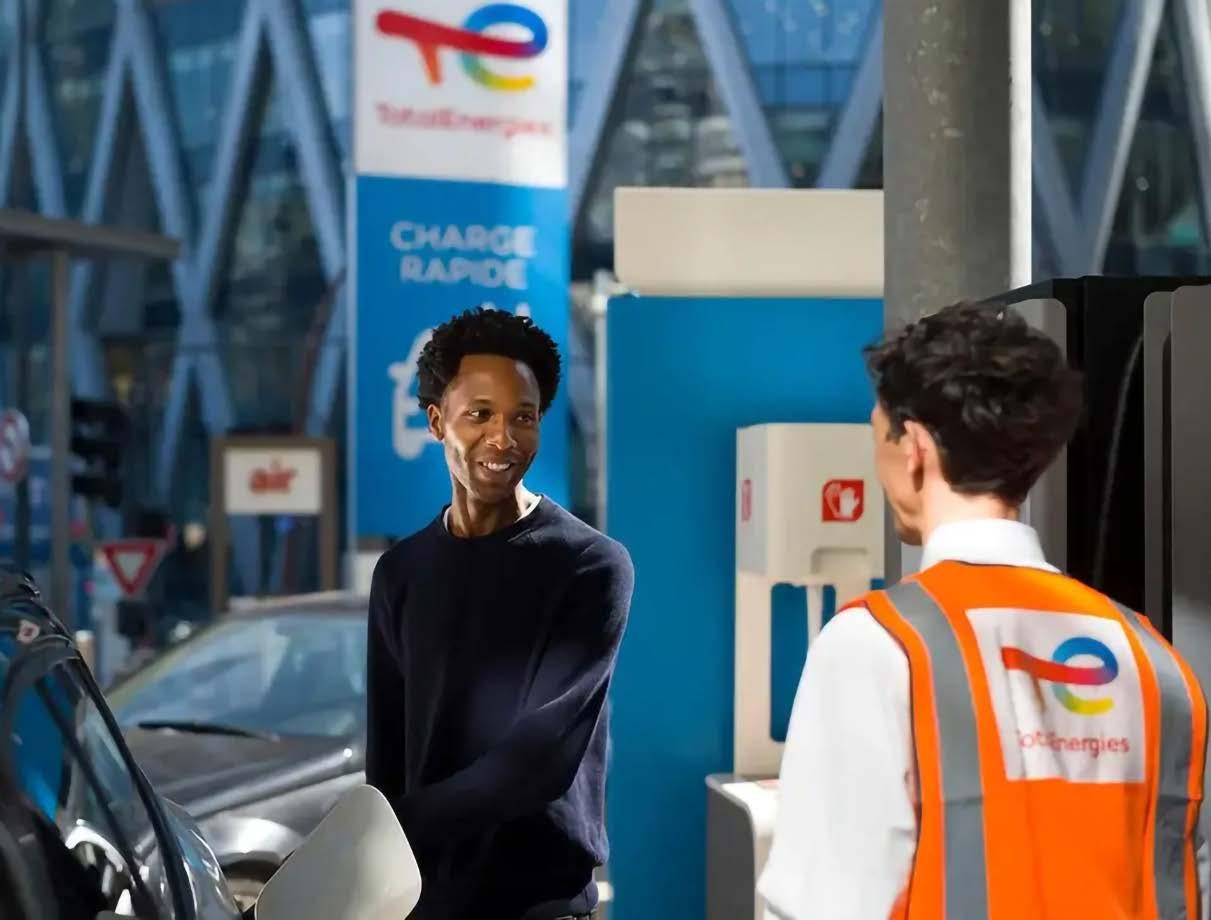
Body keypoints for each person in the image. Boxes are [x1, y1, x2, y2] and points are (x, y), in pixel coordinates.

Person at [758, 302, 1208, 919]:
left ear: (914, 448)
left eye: (877, 434)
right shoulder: (1155, 662)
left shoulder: (880, 645)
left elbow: (824, 904)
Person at [365, 307, 634, 920]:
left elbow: (538, 763)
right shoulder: (401, 573)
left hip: (539, 905)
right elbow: (386, 763)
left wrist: (386, 830)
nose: (503, 438)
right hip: (424, 906)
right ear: (437, 422)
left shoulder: (590, 566)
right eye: (480, 414)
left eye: (523, 417)